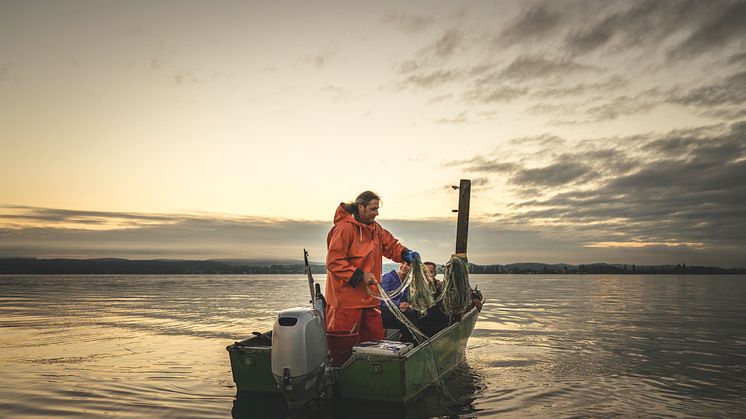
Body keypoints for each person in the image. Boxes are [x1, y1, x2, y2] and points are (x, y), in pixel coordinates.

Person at [325, 191, 419, 345]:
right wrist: (360, 275)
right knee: (343, 343)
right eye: (373, 209)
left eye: (377, 209)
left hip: (371, 299)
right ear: (361, 207)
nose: (377, 213)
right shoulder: (344, 228)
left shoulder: (376, 229)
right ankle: (340, 368)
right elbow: (334, 261)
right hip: (346, 301)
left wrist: (406, 254)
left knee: (375, 341)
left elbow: (391, 246)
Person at [380, 262, 420, 343]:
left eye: (408, 265)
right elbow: (382, 299)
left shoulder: (408, 281)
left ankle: (413, 339)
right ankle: (411, 341)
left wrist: (409, 304)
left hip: (400, 309)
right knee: (409, 313)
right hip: (385, 309)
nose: (405, 266)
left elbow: (409, 298)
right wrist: (398, 305)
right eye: (403, 263)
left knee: (418, 312)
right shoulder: (388, 277)